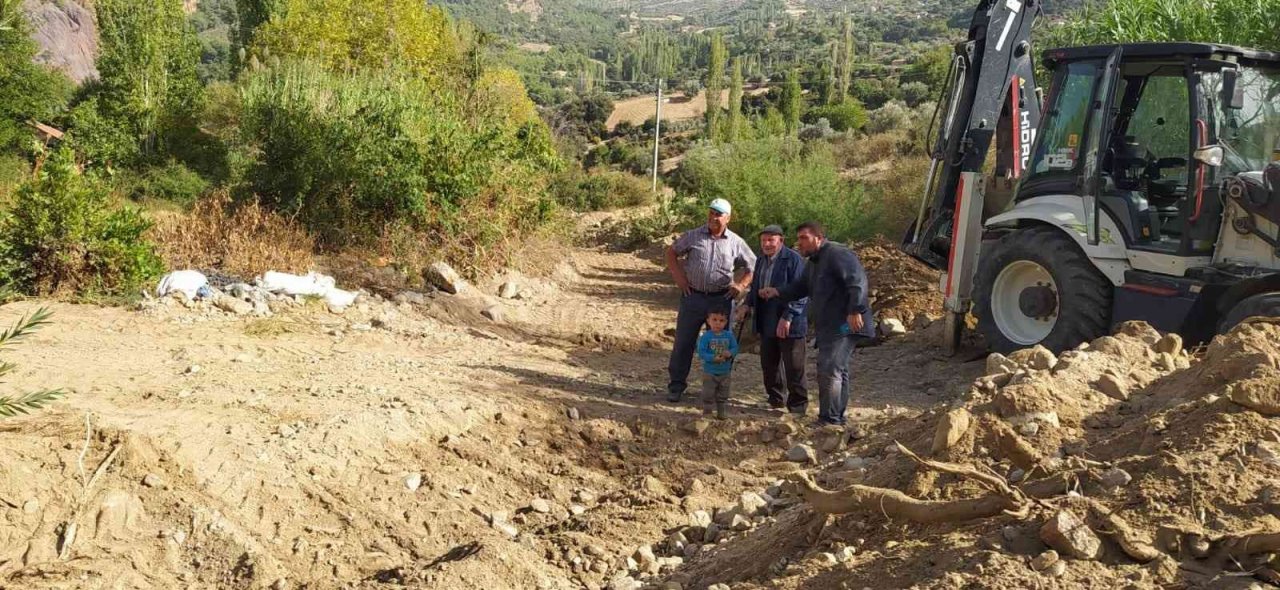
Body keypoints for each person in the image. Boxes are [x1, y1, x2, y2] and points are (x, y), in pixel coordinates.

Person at [759, 221, 874, 426]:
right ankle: (835, 416)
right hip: (830, 326)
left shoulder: (837, 254)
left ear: (819, 238)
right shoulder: (813, 262)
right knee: (837, 369)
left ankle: (829, 420)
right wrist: (777, 291)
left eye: (804, 238)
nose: (799, 243)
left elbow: (857, 281)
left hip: (845, 324)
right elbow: (799, 287)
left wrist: (855, 309)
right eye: (799, 238)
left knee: (829, 367)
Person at [665, 198, 756, 403]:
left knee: (720, 344)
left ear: (728, 218)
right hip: (693, 297)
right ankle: (676, 386)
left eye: (719, 214)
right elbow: (672, 252)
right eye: (712, 212)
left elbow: (753, 266)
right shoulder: (693, 236)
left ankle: (717, 388)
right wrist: (679, 278)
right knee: (683, 343)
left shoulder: (736, 242)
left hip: (721, 300)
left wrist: (740, 286)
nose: (714, 217)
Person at [737, 225, 809, 414]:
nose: (767, 244)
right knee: (769, 363)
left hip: (789, 319)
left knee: (794, 365)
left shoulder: (794, 260)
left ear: (781, 241)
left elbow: (802, 292)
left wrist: (788, 316)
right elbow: (754, 288)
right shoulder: (760, 260)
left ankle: (798, 406)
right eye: (763, 241)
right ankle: (776, 399)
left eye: (771, 240)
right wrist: (747, 304)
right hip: (766, 316)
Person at [696, 309, 739, 419]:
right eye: (714, 320)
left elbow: (735, 347)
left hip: (725, 371)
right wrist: (712, 358)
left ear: (726, 322)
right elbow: (701, 352)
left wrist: (730, 353)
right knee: (708, 392)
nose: (718, 323)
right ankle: (707, 411)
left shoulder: (729, 336)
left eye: (721, 320)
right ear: (708, 321)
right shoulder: (706, 337)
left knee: (723, 393)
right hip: (710, 371)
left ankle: (721, 412)